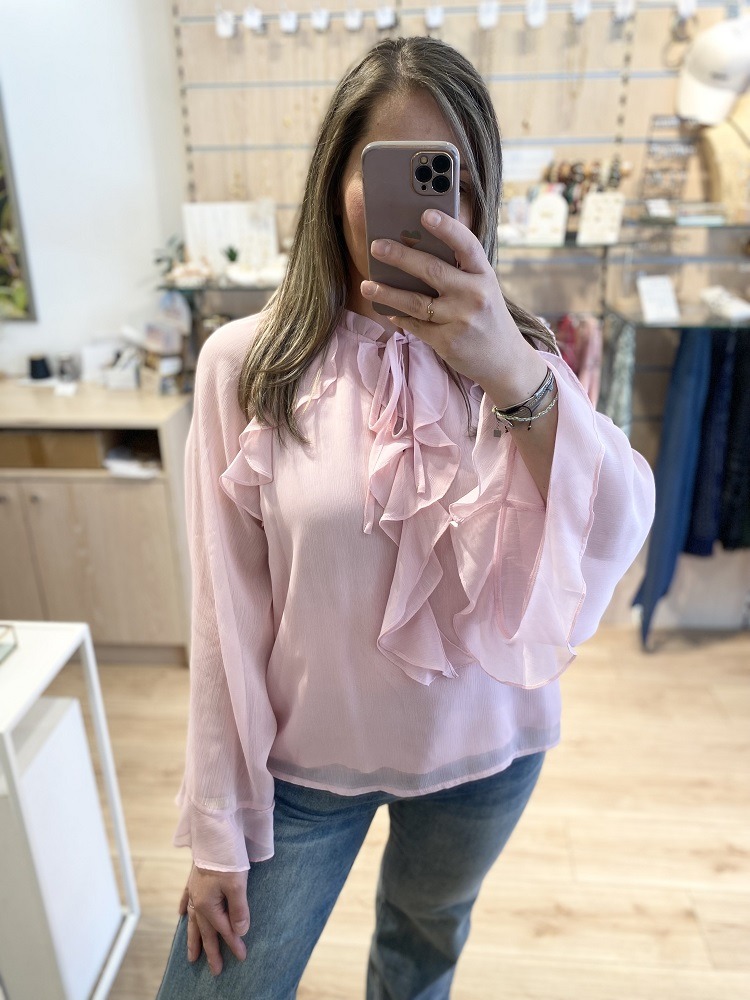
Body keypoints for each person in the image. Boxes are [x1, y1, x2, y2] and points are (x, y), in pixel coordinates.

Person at [156, 35, 655, 1000]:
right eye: (397, 172)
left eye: (451, 179)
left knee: (420, 956)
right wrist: (217, 826)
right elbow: (224, 620)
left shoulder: (521, 361)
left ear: (483, 198)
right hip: (303, 769)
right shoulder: (246, 366)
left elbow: (612, 531)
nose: (428, 208)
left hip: (487, 758)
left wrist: (506, 368)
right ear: (334, 181)